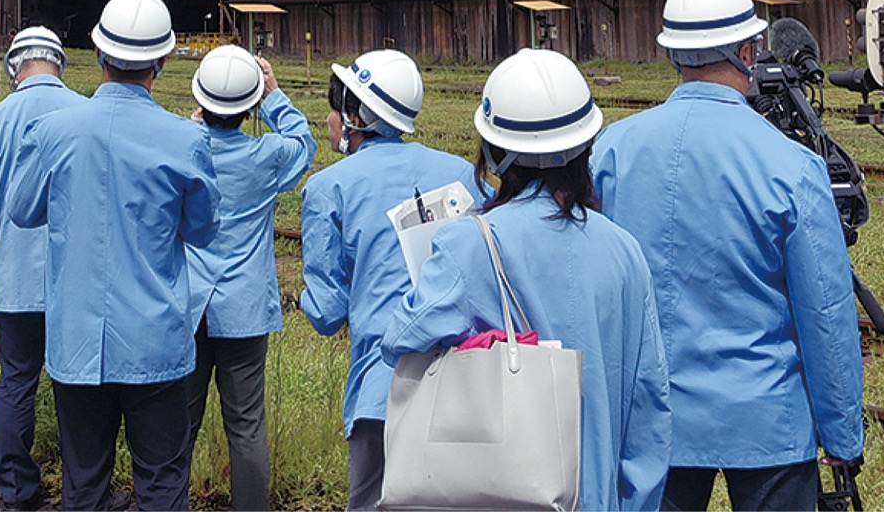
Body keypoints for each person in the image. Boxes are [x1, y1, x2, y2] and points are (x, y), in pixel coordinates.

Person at [590, 0, 865, 512]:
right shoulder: (793, 166)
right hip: (767, 418)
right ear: (748, 49)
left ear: (673, 55)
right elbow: (826, 314)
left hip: (651, 416)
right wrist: (841, 435)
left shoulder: (612, 151)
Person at [381, 48, 672, 512]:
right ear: (585, 145)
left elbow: (399, 340)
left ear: (494, 153)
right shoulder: (624, 251)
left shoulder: (469, 244)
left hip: (499, 493)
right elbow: (649, 408)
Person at [8, 0, 220, 512]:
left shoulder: (53, 131)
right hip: (157, 342)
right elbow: (202, 232)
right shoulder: (185, 141)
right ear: (164, 61)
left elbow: (21, 210)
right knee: (163, 482)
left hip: (76, 341)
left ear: (97, 52)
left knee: (84, 482)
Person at [299, 49, 479, 512]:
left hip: (381, 389)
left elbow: (326, 312)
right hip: (460, 383)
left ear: (355, 117)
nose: (330, 118)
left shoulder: (328, 188)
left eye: (338, 107)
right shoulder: (461, 174)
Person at [185, 44, 316, 512]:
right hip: (243, 310)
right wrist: (274, 96)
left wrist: (196, 120)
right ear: (249, 105)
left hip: (187, 306)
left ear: (201, 100)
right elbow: (305, 143)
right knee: (245, 426)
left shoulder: (182, 145)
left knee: (179, 421)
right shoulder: (268, 156)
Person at [0, 25, 83, 512]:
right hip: (76, 280)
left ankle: (17, 490)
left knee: (17, 381)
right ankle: (84, 489)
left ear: (14, 68)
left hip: (15, 278)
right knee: (78, 387)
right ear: (59, 63)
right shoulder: (86, 112)